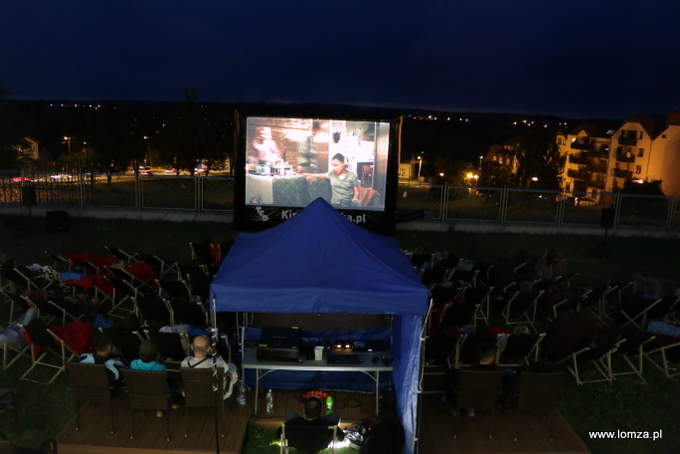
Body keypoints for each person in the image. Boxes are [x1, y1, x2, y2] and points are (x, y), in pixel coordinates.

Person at [181, 334, 238, 400]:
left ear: (191, 347)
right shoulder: (218, 362)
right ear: (209, 349)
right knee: (232, 367)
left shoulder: (185, 362)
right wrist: (214, 354)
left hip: (192, 394)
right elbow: (226, 369)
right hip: (216, 395)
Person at [131, 339, 178, 416]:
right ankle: (171, 403)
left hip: (141, 390)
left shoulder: (133, 363)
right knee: (173, 381)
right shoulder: (160, 367)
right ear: (157, 354)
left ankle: (160, 409)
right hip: (158, 392)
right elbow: (164, 380)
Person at [276, 395, 345, 445]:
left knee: (289, 413)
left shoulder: (292, 423)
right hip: (320, 444)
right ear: (321, 411)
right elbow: (341, 438)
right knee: (335, 415)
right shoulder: (329, 425)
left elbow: (279, 434)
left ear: (304, 411)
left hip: (298, 444)